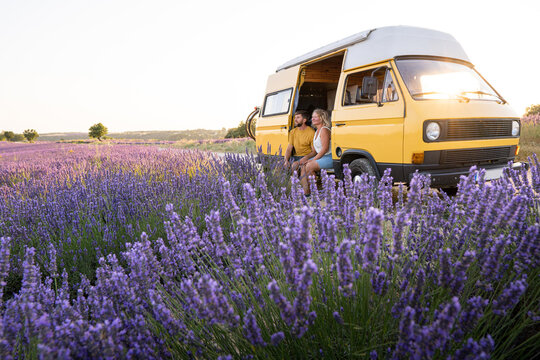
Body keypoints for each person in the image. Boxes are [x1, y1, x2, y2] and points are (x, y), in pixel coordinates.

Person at [299, 108, 332, 195]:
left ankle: (313, 192)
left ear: (321, 118)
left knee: (309, 166)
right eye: (312, 117)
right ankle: (306, 192)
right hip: (321, 157)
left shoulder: (324, 130)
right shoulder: (316, 131)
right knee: (303, 165)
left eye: (315, 117)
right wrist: (306, 158)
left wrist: (313, 160)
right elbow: (315, 151)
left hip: (329, 157)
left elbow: (324, 149)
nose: (312, 119)